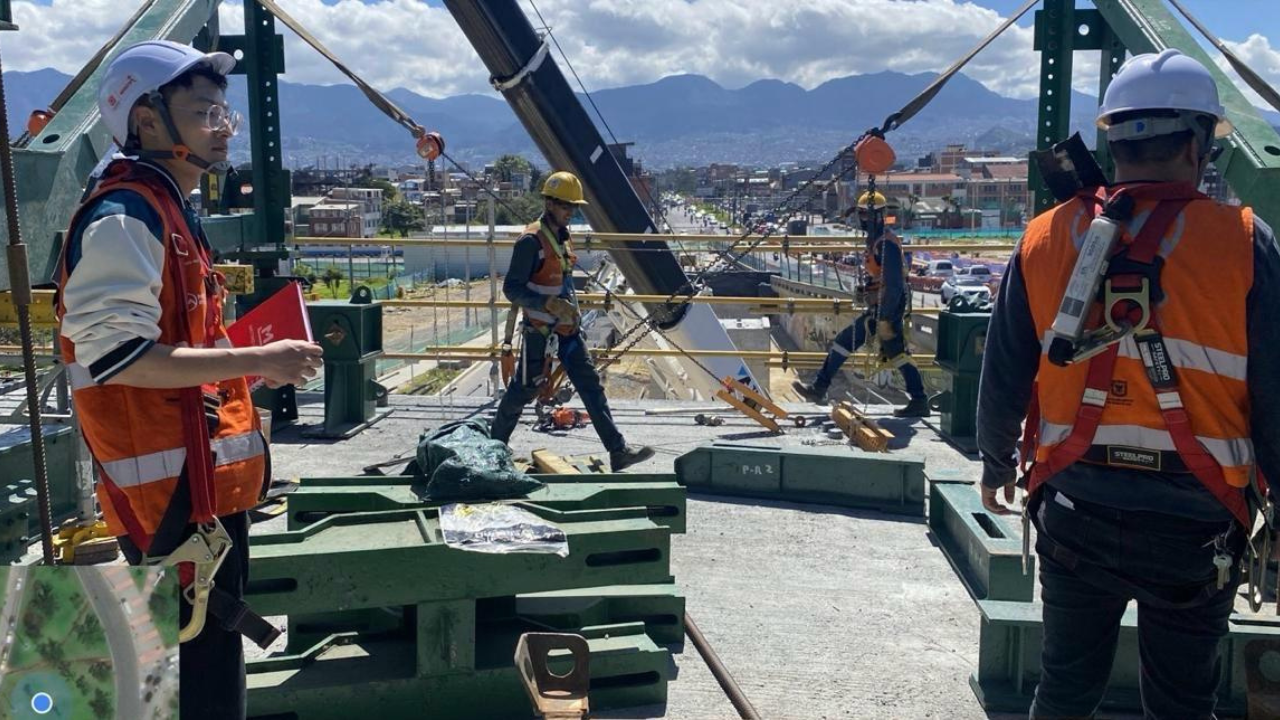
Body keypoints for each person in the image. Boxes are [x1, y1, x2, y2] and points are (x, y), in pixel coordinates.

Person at [976, 49, 1280, 719]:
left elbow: (1004, 370)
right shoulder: (1244, 241)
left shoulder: (1045, 237)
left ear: (1113, 138)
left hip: (1076, 505)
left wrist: (997, 463)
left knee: (1063, 689)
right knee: (1181, 702)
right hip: (1195, 519)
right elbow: (1275, 391)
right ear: (1200, 143)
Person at [55, 40, 324, 720]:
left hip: (197, 497)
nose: (221, 125)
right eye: (202, 110)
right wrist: (256, 361)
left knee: (207, 671)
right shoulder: (126, 218)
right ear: (145, 120)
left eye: (222, 111)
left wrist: (243, 374)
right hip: (168, 510)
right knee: (189, 684)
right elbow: (121, 359)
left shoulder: (171, 212)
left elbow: (177, 356)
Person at [489, 171, 655, 472]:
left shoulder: (562, 238)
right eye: (566, 206)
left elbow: (561, 281)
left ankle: (618, 451)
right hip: (539, 331)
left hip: (567, 330)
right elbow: (512, 288)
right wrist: (546, 304)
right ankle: (493, 446)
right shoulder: (531, 241)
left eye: (573, 206)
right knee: (523, 390)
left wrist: (569, 311)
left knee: (591, 385)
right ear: (549, 203)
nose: (571, 212)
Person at [792, 191, 930, 417]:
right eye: (861, 216)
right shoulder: (877, 242)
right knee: (894, 353)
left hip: (887, 306)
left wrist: (885, 316)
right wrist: (867, 288)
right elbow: (883, 278)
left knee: (854, 343)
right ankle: (919, 399)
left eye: (866, 215)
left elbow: (894, 283)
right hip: (883, 304)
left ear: (877, 216)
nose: (862, 220)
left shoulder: (886, 245)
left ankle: (819, 387)